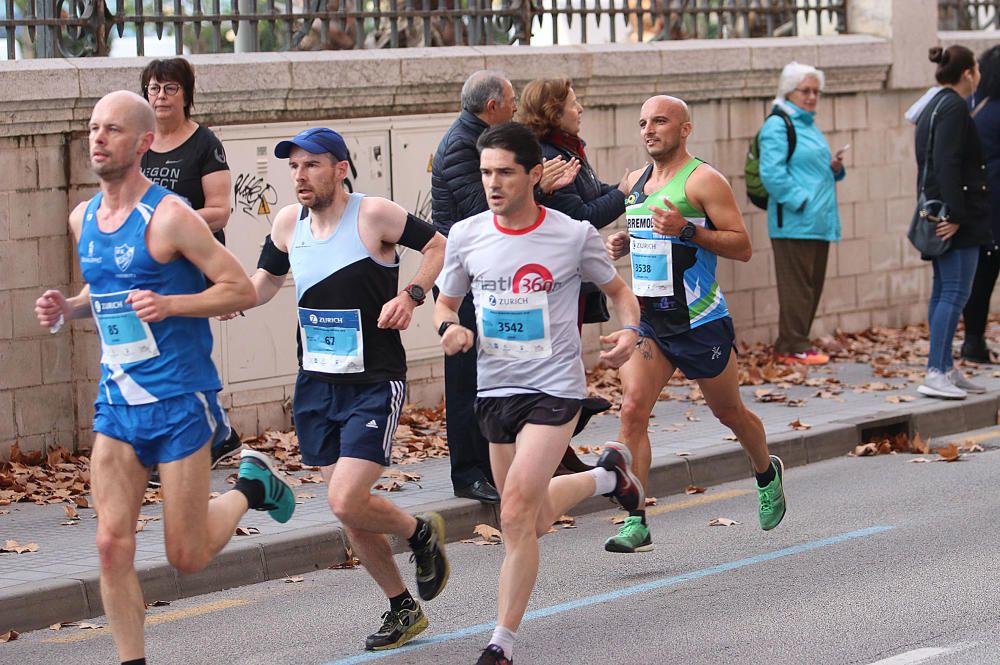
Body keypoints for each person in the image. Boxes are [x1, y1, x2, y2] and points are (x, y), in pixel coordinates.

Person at [33, 91, 295, 665]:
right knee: (109, 542)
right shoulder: (83, 218)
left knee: (188, 555)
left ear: (143, 143)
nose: (98, 139)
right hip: (118, 399)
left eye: (113, 130)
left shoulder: (171, 215)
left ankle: (251, 486)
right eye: (93, 128)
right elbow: (105, 298)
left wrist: (172, 305)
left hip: (180, 397)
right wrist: (69, 308)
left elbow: (239, 288)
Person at [227, 127, 450, 651]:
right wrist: (232, 298)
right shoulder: (288, 223)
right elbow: (263, 283)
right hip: (316, 383)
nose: (301, 176)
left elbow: (440, 244)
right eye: (294, 167)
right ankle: (402, 607)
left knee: (346, 498)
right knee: (345, 507)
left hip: (373, 381)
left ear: (340, 168)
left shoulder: (373, 215)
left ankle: (420, 532)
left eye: (312, 165)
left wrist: (413, 295)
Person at [434, 121, 645, 665]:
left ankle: (500, 644)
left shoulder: (570, 234)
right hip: (494, 390)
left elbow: (619, 292)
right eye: (486, 173)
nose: (493, 183)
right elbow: (446, 302)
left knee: (514, 514)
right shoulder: (467, 235)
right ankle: (606, 476)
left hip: (554, 387)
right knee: (530, 520)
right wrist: (448, 328)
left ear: (534, 174)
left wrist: (630, 331)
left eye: (505, 172)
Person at [603, 95, 787, 554]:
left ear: (685, 129)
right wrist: (628, 241)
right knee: (631, 409)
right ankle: (636, 519)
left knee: (728, 413)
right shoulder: (635, 181)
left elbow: (741, 246)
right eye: (643, 121)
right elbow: (650, 236)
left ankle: (766, 472)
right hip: (650, 320)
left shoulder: (705, 180)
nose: (649, 129)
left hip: (700, 320)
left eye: (660, 121)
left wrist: (687, 230)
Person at [430, 71, 577, 503]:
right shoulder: (462, 145)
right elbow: (486, 215)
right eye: (511, 100)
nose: (515, 106)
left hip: (492, 277)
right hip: (468, 278)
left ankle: (524, 463)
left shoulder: (483, 139)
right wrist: (540, 185)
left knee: (503, 374)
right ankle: (469, 474)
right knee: (465, 382)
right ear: (492, 105)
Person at [518, 77, 629, 473]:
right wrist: (627, 192)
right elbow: (580, 215)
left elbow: (593, 195)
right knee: (556, 367)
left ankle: (558, 451)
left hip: (566, 278)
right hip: (553, 280)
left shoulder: (567, 149)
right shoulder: (550, 156)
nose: (579, 110)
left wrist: (630, 189)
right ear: (553, 112)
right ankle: (551, 454)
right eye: (573, 104)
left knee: (563, 364)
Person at [139, 57, 242, 471]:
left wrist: (175, 225)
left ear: (186, 95)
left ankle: (209, 436)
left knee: (180, 350)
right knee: (155, 351)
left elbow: (220, 210)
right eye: (153, 89)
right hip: (149, 265)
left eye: (170, 89)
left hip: (192, 263)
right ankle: (213, 435)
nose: (161, 96)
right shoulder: (140, 142)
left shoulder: (203, 143)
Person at [913, 46, 993, 399]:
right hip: (955, 217)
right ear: (968, 74)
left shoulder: (934, 104)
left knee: (944, 291)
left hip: (941, 213)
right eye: (976, 69)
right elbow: (946, 164)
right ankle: (936, 371)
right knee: (955, 292)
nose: (978, 75)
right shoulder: (954, 108)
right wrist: (957, 214)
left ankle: (944, 366)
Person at [759, 62, 846, 366]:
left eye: (816, 91)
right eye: (805, 90)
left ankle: (796, 343)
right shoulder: (778, 125)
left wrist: (834, 168)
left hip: (818, 221)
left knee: (811, 287)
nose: (811, 96)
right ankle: (792, 345)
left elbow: (809, 170)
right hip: (795, 221)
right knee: (797, 288)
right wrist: (802, 202)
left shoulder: (808, 125)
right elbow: (771, 173)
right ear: (789, 91)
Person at [961, 44, 1000, 364]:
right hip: (994, 204)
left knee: (981, 277)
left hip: (977, 205)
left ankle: (973, 340)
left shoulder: (972, 104)